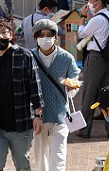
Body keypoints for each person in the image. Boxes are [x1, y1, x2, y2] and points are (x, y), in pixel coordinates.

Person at [0, 17, 44, 171]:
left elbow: (35, 89)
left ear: (11, 34)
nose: (0, 36)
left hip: (22, 124)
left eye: (4, 32)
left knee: (23, 165)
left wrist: (38, 116)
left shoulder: (25, 56)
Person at [30, 18, 80, 171]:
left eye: (49, 35)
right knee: (40, 160)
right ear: (36, 38)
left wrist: (72, 86)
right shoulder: (29, 57)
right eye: (41, 35)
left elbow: (74, 79)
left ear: (55, 37)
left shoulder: (66, 58)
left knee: (58, 160)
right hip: (37, 118)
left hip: (59, 116)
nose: (45, 38)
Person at [76, 0, 109, 138]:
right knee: (107, 94)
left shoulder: (97, 19)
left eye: (90, 0)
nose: (88, 3)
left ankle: (84, 129)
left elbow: (81, 33)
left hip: (95, 57)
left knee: (89, 93)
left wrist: (82, 17)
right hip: (107, 58)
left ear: (98, 3)